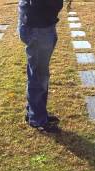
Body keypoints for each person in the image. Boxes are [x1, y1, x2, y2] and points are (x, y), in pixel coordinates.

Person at [18, 0, 63, 133]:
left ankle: (35, 112)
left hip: (40, 23)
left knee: (37, 73)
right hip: (38, 27)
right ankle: (37, 119)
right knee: (39, 75)